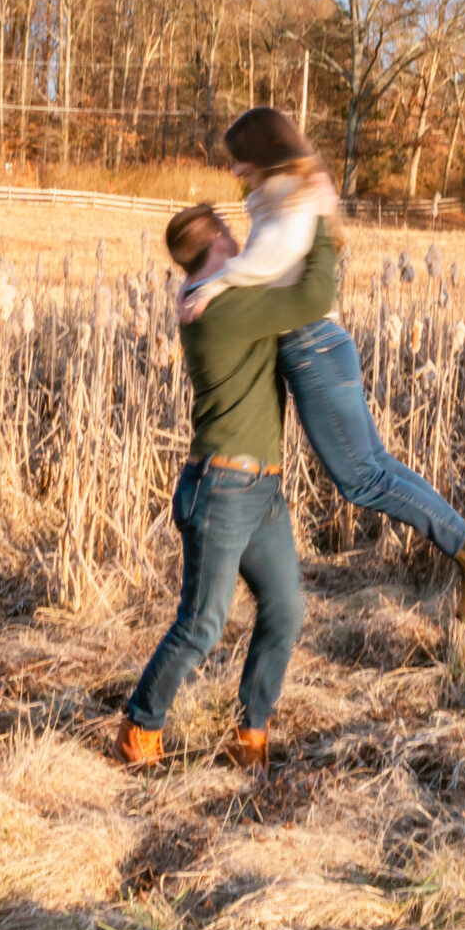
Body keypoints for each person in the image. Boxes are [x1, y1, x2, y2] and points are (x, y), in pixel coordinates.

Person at [185, 106, 465, 626]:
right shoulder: (285, 191)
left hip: (311, 345)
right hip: (323, 345)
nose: (235, 170)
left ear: (262, 152)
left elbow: (269, 261)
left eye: (239, 159)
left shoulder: (292, 196)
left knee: (360, 478)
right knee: (376, 465)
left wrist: (215, 282)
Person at [117, 205, 338, 772]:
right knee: (203, 622)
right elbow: (311, 297)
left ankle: (251, 732)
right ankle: (140, 727)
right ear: (216, 237)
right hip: (223, 487)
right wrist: (315, 222)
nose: (240, 236)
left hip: (260, 488)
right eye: (230, 230)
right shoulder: (221, 310)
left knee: (285, 610)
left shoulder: (214, 293)